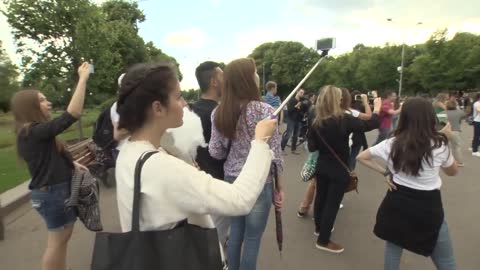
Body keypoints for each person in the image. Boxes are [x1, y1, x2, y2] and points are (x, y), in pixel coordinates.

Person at [114, 62, 278, 264]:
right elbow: (240, 199)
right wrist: (260, 142)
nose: (184, 104)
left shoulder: (128, 152)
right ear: (158, 108)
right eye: (178, 97)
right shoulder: (163, 168)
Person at [357, 97, 459, 270]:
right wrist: (449, 139)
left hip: (397, 200)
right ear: (430, 117)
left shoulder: (392, 142)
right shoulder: (439, 144)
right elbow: (453, 172)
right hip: (428, 206)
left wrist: (386, 172)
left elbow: (362, 157)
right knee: (445, 259)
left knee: (394, 245)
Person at [11, 63, 91, 270]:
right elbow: (71, 115)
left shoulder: (34, 133)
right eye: (42, 100)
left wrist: (71, 163)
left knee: (61, 240)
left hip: (52, 192)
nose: (48, 103)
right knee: (57, 242)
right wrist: (82, 78)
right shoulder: (33, 131)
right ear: (30, 107)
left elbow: (45, 158)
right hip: (52, 194)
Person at [209, 58, 284, 270]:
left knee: (235, 236)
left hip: (233, 180)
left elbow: (215, 151)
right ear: (247, 79)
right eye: (254, 74)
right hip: (261, 182)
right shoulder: (265, 111)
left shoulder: (219, 112)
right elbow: (275, 153)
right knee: (253, 239)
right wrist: (280, 188)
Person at [308, 85, 381, 253]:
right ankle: (323, 240)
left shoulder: (316, 122)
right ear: (336, 100)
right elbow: (371, 123)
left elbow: (312, 147)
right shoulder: (344, 119)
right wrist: (376, 109)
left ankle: (319, 228)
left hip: (322, 166)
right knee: (332, 204)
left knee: (320, 198)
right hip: (338, 167)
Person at [190, 61, 228, 244]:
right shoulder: (220, 114)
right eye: (222, 76)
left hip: (195, 184)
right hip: (218, 185)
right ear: (214, 81)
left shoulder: (189, 111)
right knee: (214, 241)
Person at [281, 89, 305, 154]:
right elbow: (289, 110)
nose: (302, 94)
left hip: (298, 120)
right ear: (297, 92)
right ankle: (281, 149)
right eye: (301, 92)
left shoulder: (301, 101)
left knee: (296, 135)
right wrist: (296, 106)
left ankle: (293, 149)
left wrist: (302, 113)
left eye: (303, 93)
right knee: (288, 134)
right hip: (291, 119)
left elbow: (302, 111)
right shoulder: (292, 100)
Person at [445, 100, 466, 166]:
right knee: (456, 147)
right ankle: (459, 162)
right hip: (455, 131)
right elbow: (462, 118)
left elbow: (440, 123)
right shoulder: (460, 112)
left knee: (445, 146)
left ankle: (446, 161)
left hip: (445, 131)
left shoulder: (442, 113)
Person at [472, 93, 480, 157]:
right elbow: (479, 110)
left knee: (477, 136)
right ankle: (474, 151)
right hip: (477, 121)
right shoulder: (477, 104)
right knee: (477, 136)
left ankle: (473, 146)